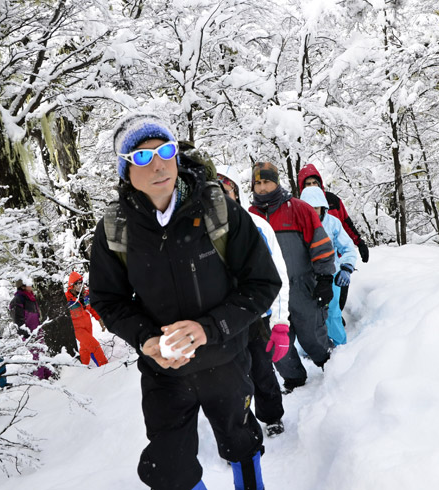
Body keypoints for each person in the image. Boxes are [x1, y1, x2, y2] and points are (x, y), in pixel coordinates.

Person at [90, 113, 281, 490]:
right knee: (168, 469)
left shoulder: (218, 210)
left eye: (165, 150)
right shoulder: (115, 228)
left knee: (240, 441)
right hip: (164, 373)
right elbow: (108, 301)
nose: (158, 163)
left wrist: (208, 329)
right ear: (125, 170)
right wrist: (146, 339)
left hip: (225, 360)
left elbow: (262, 283)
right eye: (141, 157)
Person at [249, 161, 336, 391]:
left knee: (313, 334)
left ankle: (332, 367)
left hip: (302, 286)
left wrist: (325, 278)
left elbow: (321, 245)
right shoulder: (249, 217)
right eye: (257, 183)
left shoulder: (298, 209)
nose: (262, 188)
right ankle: (294, 378)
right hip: (271, 292)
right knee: (277, 341)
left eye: (267, 181)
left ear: (276, 182)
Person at [217, 164, 289, 437]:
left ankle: (271, 415)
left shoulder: (258, 227)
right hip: (220, 321)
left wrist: (281, 322)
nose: (222, 196)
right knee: (229, 380)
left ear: (236, 193)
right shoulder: (198, 232)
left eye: (226, 190)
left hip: (256, 316)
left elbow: (278, 274)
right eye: (215, 191)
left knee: (262, 371)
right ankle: (237, 428)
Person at [298, 164, 369, 313]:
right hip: (308, 273)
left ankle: (336, 323)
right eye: (307, 184)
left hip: (335, 263)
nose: (311, 186)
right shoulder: (298, 210)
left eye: (314, 183)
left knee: (334, 307)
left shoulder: (332, 201)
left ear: (320, 184)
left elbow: (346, 223)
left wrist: (359, 242)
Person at [300, 187, 358, 346]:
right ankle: (310, 348)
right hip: (305, 277)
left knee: (332, 312)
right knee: (307, 315)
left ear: (323, 207)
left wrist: (346, 267)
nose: (312, 212)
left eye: (315, 208)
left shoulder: (333, 223)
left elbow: (348, 248)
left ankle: (340, 345)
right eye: (308, 208)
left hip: (330, 275)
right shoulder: (297, 226)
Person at [9, 279, 53, 380]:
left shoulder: (31, 297)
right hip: (28, 332)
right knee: (37, 353)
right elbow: (17, 318)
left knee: (42, 351)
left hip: (36, 328)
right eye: (28, 284)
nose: (31, 285)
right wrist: (24, 332)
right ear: (23, 286)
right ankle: (39, 377)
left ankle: (48, 374)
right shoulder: (18, 299)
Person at [66, 271, 108, 367]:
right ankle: (105, 367)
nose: (79, 285)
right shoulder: (67, 298)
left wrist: (100, 320)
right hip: (78, 329)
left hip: (88, 326)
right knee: (95, 346)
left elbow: (92, 308)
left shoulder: (86, 294)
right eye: (77, 283)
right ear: (72, 285)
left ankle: (83, 368)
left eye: (81, 282)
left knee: (85, 349)